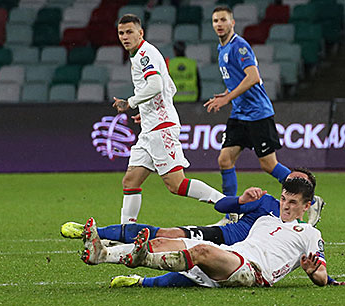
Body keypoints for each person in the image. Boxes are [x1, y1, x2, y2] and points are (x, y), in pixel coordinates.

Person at [81, 178, 344, 288]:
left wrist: (314, 273)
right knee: (162, 241)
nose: (285, 206)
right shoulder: (264, 219)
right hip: (233, 256)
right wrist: (241, 200)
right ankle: (101, 254)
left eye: (293, 203)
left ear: (306, 206)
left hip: (253, 271)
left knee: (201, 251)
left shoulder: (310, 232)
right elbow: (225, 207)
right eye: (284, 199)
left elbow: (321, 275)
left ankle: (142, 259)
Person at [111, 14, 224, 224]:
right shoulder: (139, 55)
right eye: (121, 33)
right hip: (150, 127)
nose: (125, 37)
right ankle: (126, 231)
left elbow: (156, 85)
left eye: (129, 32)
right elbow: (170, 87)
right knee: (130, 181)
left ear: (140, 33)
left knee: (176, 185)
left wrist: (131, 102)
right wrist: (146, 111)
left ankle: (229, 206)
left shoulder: (145, 54)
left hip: (161, 128)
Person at [203, 7, 291, 216]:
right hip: (239, 114)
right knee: (225, 159)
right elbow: (236, 80)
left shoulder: (239, 46)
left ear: (232, 23)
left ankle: (309, 197)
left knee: (269, 164)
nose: (219, 24)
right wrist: (225, 93)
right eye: (215, 20)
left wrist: (227, 98)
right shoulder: (221, 48)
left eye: (223, 20)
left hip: (257, 113)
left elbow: (252, 77)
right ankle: (231, 214)